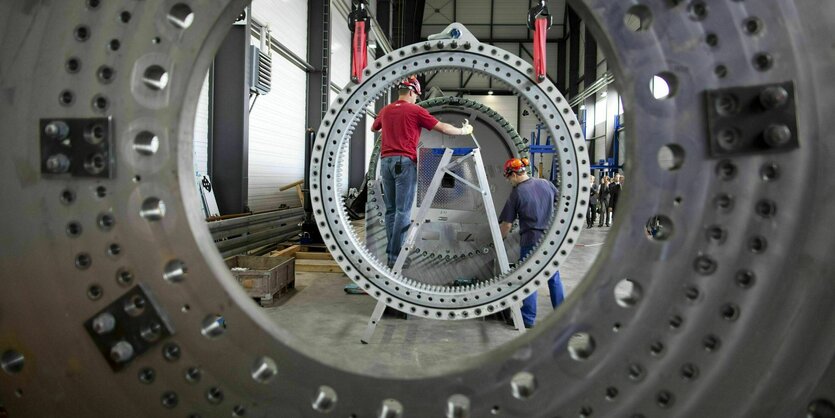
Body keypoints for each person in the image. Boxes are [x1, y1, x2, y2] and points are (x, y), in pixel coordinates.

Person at [371, 76, 474, 267]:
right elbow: (442, 128)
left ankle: (391, 255)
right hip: (404, 162)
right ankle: (396, 258)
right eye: (416, 96)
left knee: (391, 211)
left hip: (385, 162)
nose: (417, 99)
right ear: (411, 92)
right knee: (403, 211)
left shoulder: (385, 110)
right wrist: (463, 131)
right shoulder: (415, 110)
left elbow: (373, 127)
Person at [498, 157, 565, 328]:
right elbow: (561, 206)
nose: (509, 182)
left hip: (531, 241)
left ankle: (528, 318)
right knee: (554, 278)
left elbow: (506, 224)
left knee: (529, 280)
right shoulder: (546, 184)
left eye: (508, 178)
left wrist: (498, 241)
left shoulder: (517, 193)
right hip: (551, 239)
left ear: (513, 174)